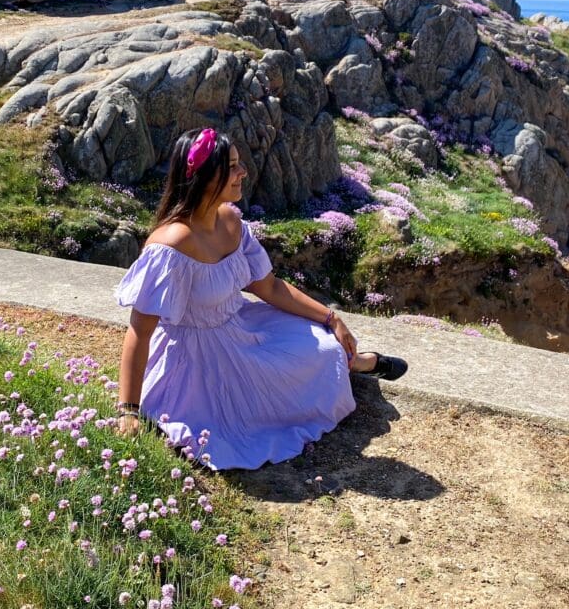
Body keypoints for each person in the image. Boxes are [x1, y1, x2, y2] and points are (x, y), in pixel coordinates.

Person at [115, 127, 408, 470]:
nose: (243, 173)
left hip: (240, 326)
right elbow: (139, 332)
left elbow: (268, 287)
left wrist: (332, 318)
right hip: (196, 359)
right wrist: (128, 411)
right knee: (238, 425)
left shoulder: (230, 221)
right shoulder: (171, 245)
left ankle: (356, 362)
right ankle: (359, 364)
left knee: (325, 344)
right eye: (234, 166)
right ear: (207, 176)